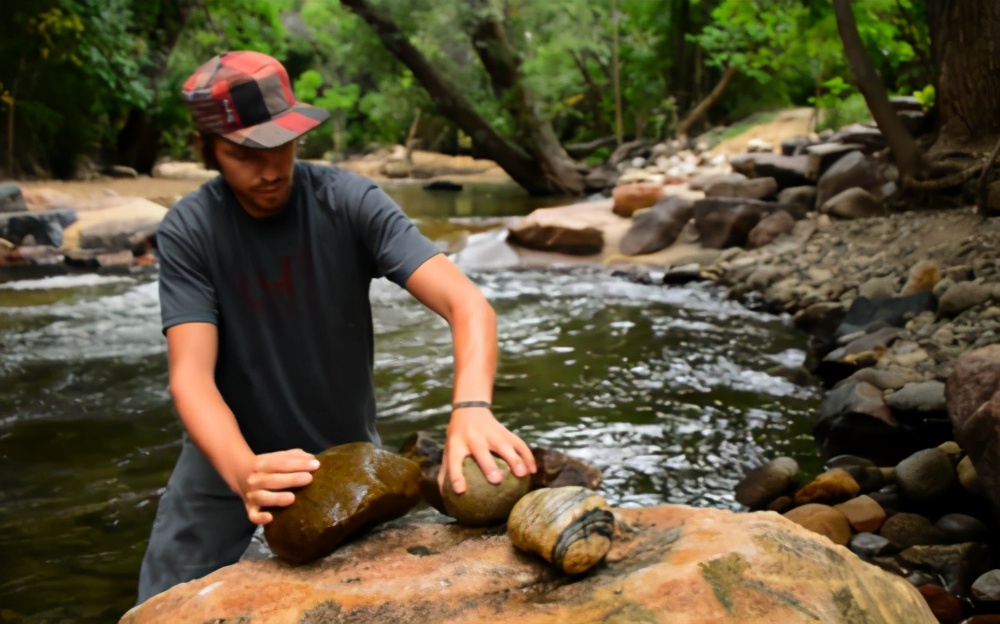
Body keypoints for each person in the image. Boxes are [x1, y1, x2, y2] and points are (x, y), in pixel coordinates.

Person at [137, 50, 537, 603]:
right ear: (207, 149)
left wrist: (472, 409)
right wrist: (243, 470)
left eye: (283, 144)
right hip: (222, 462)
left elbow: (467, 305)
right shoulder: (191, 228)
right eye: (245, 154)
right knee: (162, 606)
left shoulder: (348, 202)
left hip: (348, 462)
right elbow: (190, 378)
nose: (272, 168)